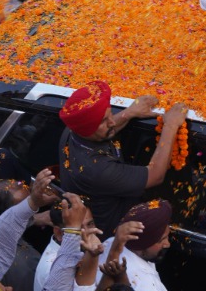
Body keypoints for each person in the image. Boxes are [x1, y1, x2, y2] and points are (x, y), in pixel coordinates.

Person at [55, 80, 187, 234]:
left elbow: (104, 129)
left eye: (109, 114)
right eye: (104, 120)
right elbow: (155, 175)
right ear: (87, 130)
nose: (112, 121)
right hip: (111, 234)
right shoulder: (97, 169)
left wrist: (129, 113)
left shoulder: (73, 130)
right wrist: (170, 125)